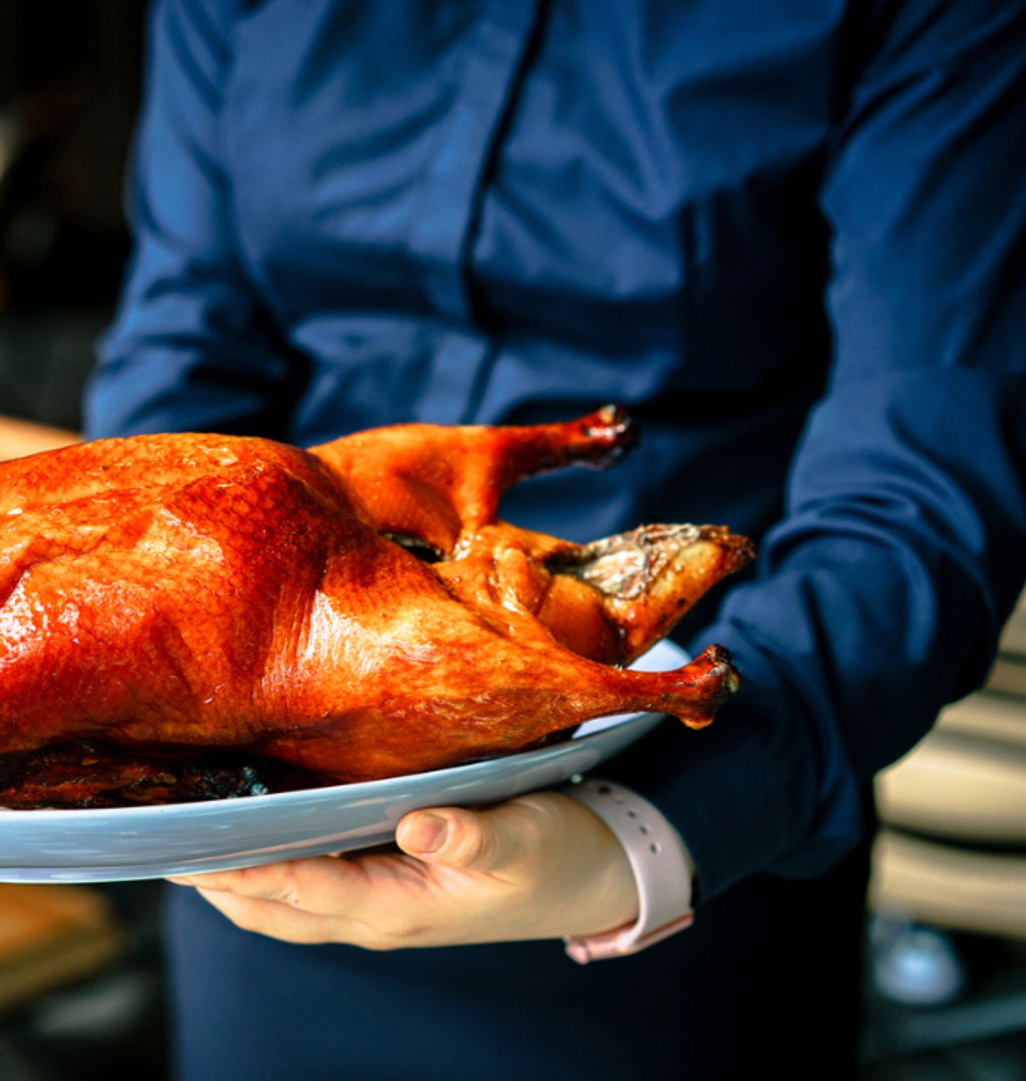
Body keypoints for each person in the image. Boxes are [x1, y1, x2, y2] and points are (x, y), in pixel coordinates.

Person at [82, 1, 1026, 1078]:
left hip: (669, 795)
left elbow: (924, 466)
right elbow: (180, 360)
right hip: (266, 810)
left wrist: (657, 824)